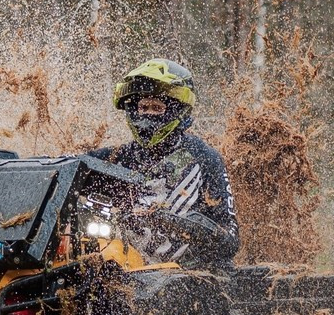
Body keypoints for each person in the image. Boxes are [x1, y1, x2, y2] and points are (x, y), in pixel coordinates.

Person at [91, 57, 240, 260]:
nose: (147, 115)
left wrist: (186, 226)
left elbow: (230, 240)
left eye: (156, 108)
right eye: (144, 107)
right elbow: (64, 171)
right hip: (127, 272)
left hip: (189, 275)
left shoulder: (204, 158)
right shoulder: (115, 157)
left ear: (176, 110)